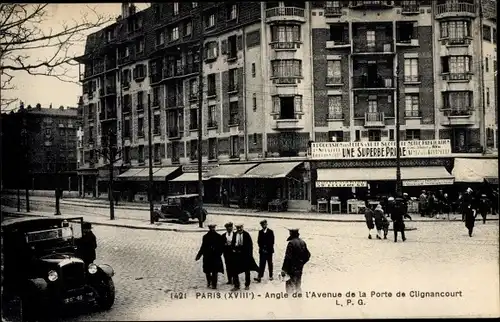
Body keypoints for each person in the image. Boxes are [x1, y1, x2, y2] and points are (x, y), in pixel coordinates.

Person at [281, 228, 311, 294]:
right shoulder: (302, 242)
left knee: (290, 289)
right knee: (298, 286)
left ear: (291, 234)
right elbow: (308, 255)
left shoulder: (291, 243)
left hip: (291, 270)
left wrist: (284, 270)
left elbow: (287, 258)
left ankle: (291, 302)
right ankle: (299, 302)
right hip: (299, 269)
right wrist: (301, 263)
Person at [195, 224, 224, 289]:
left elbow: (221, 247)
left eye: (213, 228)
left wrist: (219, 253)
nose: (212, 229)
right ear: (209, 228)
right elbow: (203, 246)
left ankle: (214, 284)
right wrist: (199, 255)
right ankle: (209, 281)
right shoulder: (205, 237)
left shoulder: (218, 236)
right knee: (207, 270)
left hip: (215, 256)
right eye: (211, 228)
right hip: (207, 256)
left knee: (215, 271)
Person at [231, 224, 259, 291]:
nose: (239, 229)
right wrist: (233, 249)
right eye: (238, 228)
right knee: (235, 270)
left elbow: (250, 246)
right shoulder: (235, 234)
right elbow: (232, 243)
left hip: (245, 255)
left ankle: (247, 285)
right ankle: (236, 285)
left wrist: (249, 255)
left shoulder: (246, 235)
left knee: (247, 270)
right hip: (237, 255)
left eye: (240, 228)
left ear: (242, 227)